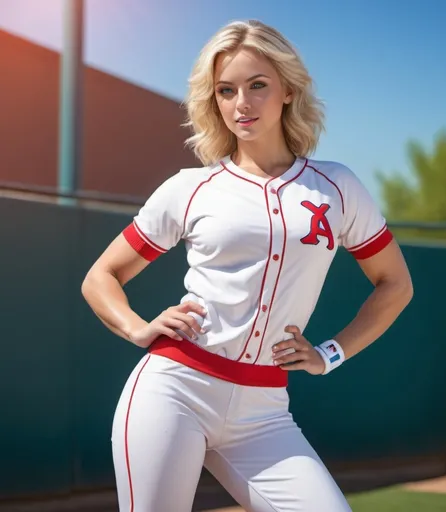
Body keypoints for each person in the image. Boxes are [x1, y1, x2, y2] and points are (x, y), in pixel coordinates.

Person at [81, 19, 413, 512]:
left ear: (287, 91)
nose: (242, 103)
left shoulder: (336, 187)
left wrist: (330, 354)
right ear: (214, 100)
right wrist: (137, 328)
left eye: (258, 85)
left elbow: (395, 285)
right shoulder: (190, 187)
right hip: (175, 389)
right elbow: (100, 277)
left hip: (265, 412)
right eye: (226, 90)